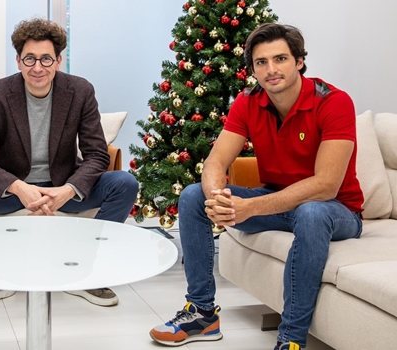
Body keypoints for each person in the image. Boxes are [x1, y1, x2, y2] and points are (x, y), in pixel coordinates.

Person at [149, 23, 363, 350]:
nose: (271, 69)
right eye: (261, 62)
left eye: (280, 59)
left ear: (299, 62)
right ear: (253, 68)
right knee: (194, 196)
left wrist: (248, 207)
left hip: (337, 212)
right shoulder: (249, 101)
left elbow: (326, 186)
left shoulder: (333, 102)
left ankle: (291, 340)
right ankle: (203, 314)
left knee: (311, 213)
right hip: (280, 201)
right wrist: (218, 196)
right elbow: (216, 162)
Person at [0, 18, 138, 310]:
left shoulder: (80, 91)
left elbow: (98, 154)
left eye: (46, 59)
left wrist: (68, 190)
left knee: (124, 183)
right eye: (30, 59)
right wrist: (19, 187)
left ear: (59, 60)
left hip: (61, 187)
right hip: (12, 191)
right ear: (18, 61)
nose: (38, 67)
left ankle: (88, 273)